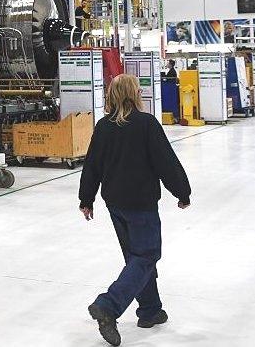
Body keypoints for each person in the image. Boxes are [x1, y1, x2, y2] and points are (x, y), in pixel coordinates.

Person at [79, 74, 191, 346]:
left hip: (114, 203)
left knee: (137, 257)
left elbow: (92, 164)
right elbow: (165, 161)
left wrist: (86, 199)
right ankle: (109, 304)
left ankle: (150, 310)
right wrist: (182, 191)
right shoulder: (146, 124)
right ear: (134, 94)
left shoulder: (104, 126)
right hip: (140, 202)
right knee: (146, 254)